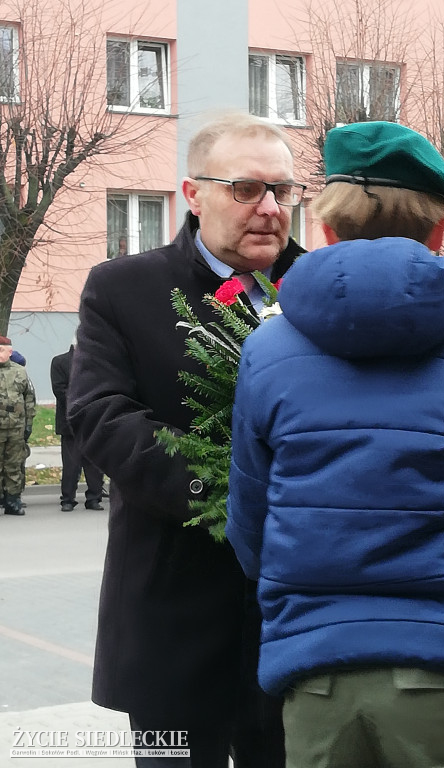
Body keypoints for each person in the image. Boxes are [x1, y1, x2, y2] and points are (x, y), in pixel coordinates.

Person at [225, 121, 444, 768]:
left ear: (325, 228)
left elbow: (252, 529)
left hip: (318, 673)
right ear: (437, 231)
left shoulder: (266, 351)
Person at [67, 114, 304, 767]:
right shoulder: (124, 288)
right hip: (174, 620)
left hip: (296, 625)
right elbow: (100, 415)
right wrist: (233, 491)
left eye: (283, 191)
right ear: (192, 195)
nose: (270, 208)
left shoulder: (323, 289)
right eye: (247, 189)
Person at [50, 344, 105, 511]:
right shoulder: (59, 361)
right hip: (70, 421)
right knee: (71, 464)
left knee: (94, 463)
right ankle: (67, 499)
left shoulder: (97, 361)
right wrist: (82, 401)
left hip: (93, 420)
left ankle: (94, 498)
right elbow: (59, 389)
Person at [0, 336, 36, 516]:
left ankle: (12, 501)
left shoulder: (20, 372)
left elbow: (29, 399)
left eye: (1, 351)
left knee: (13, 465)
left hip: (15, 427)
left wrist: (29, 424)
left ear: (10, 352)